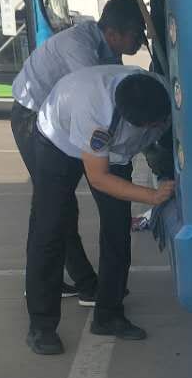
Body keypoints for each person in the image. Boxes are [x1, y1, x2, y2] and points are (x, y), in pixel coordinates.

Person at [25, 66, 174, 355]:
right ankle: (41, 326)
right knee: (50, 227)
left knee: (117, 229)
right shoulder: (95, 113)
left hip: (115, 152)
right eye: (151, 125)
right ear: (134, 122)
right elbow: (99, 178)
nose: (157, 127)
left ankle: (108, 315)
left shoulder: (159, 91)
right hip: (58, 143)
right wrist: (152, 196)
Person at [10, 0, 146, 304]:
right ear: (113, 33)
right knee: (53, 206)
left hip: (63, 119)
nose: (140, 42)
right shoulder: (79, 47)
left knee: (63, 206)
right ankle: (50, 281)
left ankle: (83, 283)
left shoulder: (109, 51)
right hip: (33, 118)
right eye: (136, 35)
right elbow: (96, 99)